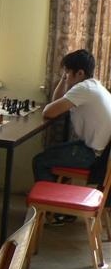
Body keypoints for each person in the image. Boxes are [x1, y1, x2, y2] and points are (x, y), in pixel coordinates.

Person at [33, 49, 111, 183]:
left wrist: (65, 80)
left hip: (94, 156)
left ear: (80, 73)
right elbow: (55, 103)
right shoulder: (93, 85)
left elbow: (48, 112)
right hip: (101, 153)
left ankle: (49, 195)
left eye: (67, 72)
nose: (66, 76)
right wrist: (65, 78)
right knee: (51, 152)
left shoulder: (83, 89)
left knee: (40, 161)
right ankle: (55, 192)